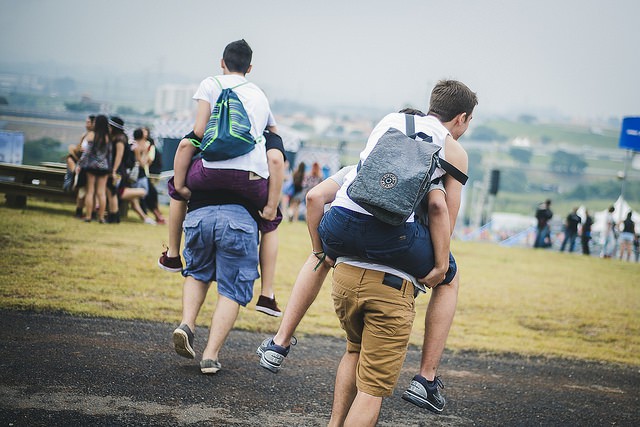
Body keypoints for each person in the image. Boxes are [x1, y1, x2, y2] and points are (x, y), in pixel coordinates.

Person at [260, 80, 477, 414]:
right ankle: (426, 379)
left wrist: (323, 249)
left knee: (322, 258)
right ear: (461, 118)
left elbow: (331, 191)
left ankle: (280, 342)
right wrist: (441, 264)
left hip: (341, 223)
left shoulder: (388, 122)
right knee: (450, 278)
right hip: (393, 236)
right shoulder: (453, 150)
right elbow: (440, 210)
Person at [158, 39, 284, 316]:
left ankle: (172, 256)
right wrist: (271, 206)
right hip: (250, 179)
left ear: (221, 62)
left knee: (176, 186)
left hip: (208, 173)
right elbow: (274, 137)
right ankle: (267, 294)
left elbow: (199, 131)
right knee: (271, 222)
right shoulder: (260, 95)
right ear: (250, 68)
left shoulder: (210, 83)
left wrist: (181, 185)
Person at [172, 201, 260, 375]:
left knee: (197, 273)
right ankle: (210, 356)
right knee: (231, 289)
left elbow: (178, 189)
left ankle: (186, 324)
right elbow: (269, 210)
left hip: (199, 213)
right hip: (239, 217)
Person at [77, 114, 111, 223]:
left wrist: (80, 164)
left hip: (91, 166)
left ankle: (88, 216)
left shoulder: (91, 135)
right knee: (101, 192)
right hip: (104, 167)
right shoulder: (107, 137)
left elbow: (87, 153)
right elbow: (109, 155)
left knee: (90, 191)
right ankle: (101, 217)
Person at [105, 116, 127, 224]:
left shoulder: (120, 139)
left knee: (112, 192)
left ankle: (114, 217)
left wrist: (113, 171)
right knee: (110, 192)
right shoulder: (115, 137)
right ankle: (113, 215)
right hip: (115, 169)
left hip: (117, 170)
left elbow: (119, 156)